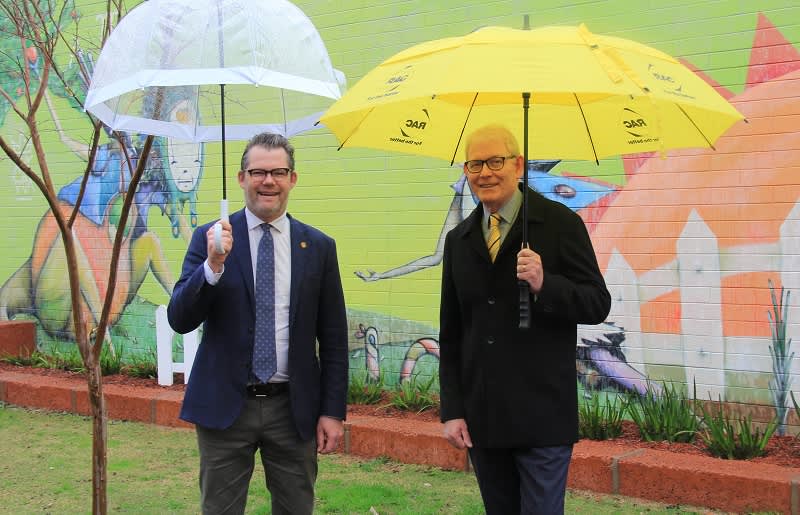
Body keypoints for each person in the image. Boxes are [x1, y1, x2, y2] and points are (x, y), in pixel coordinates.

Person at [167, 132, 348, 514]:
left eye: (278, 172)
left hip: (293, 409)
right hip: (225, 408)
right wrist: (212, 266)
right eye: (258, 172)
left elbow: (333, 338)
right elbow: (180, 319)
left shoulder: (318, 247)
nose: (268, 181)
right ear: (241, 178)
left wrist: (332, 411)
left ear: (292, 179)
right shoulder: (210, 239)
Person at [438, 124, 611, 514]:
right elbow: (452, 333)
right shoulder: (459, 240)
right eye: (475, 164)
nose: (485, 173)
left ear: (518, 165)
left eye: (495, 161)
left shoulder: (561, 225)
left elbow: (596, 303)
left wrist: (545, 284)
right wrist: (453, 410)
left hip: (542, 416)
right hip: (484, 419)